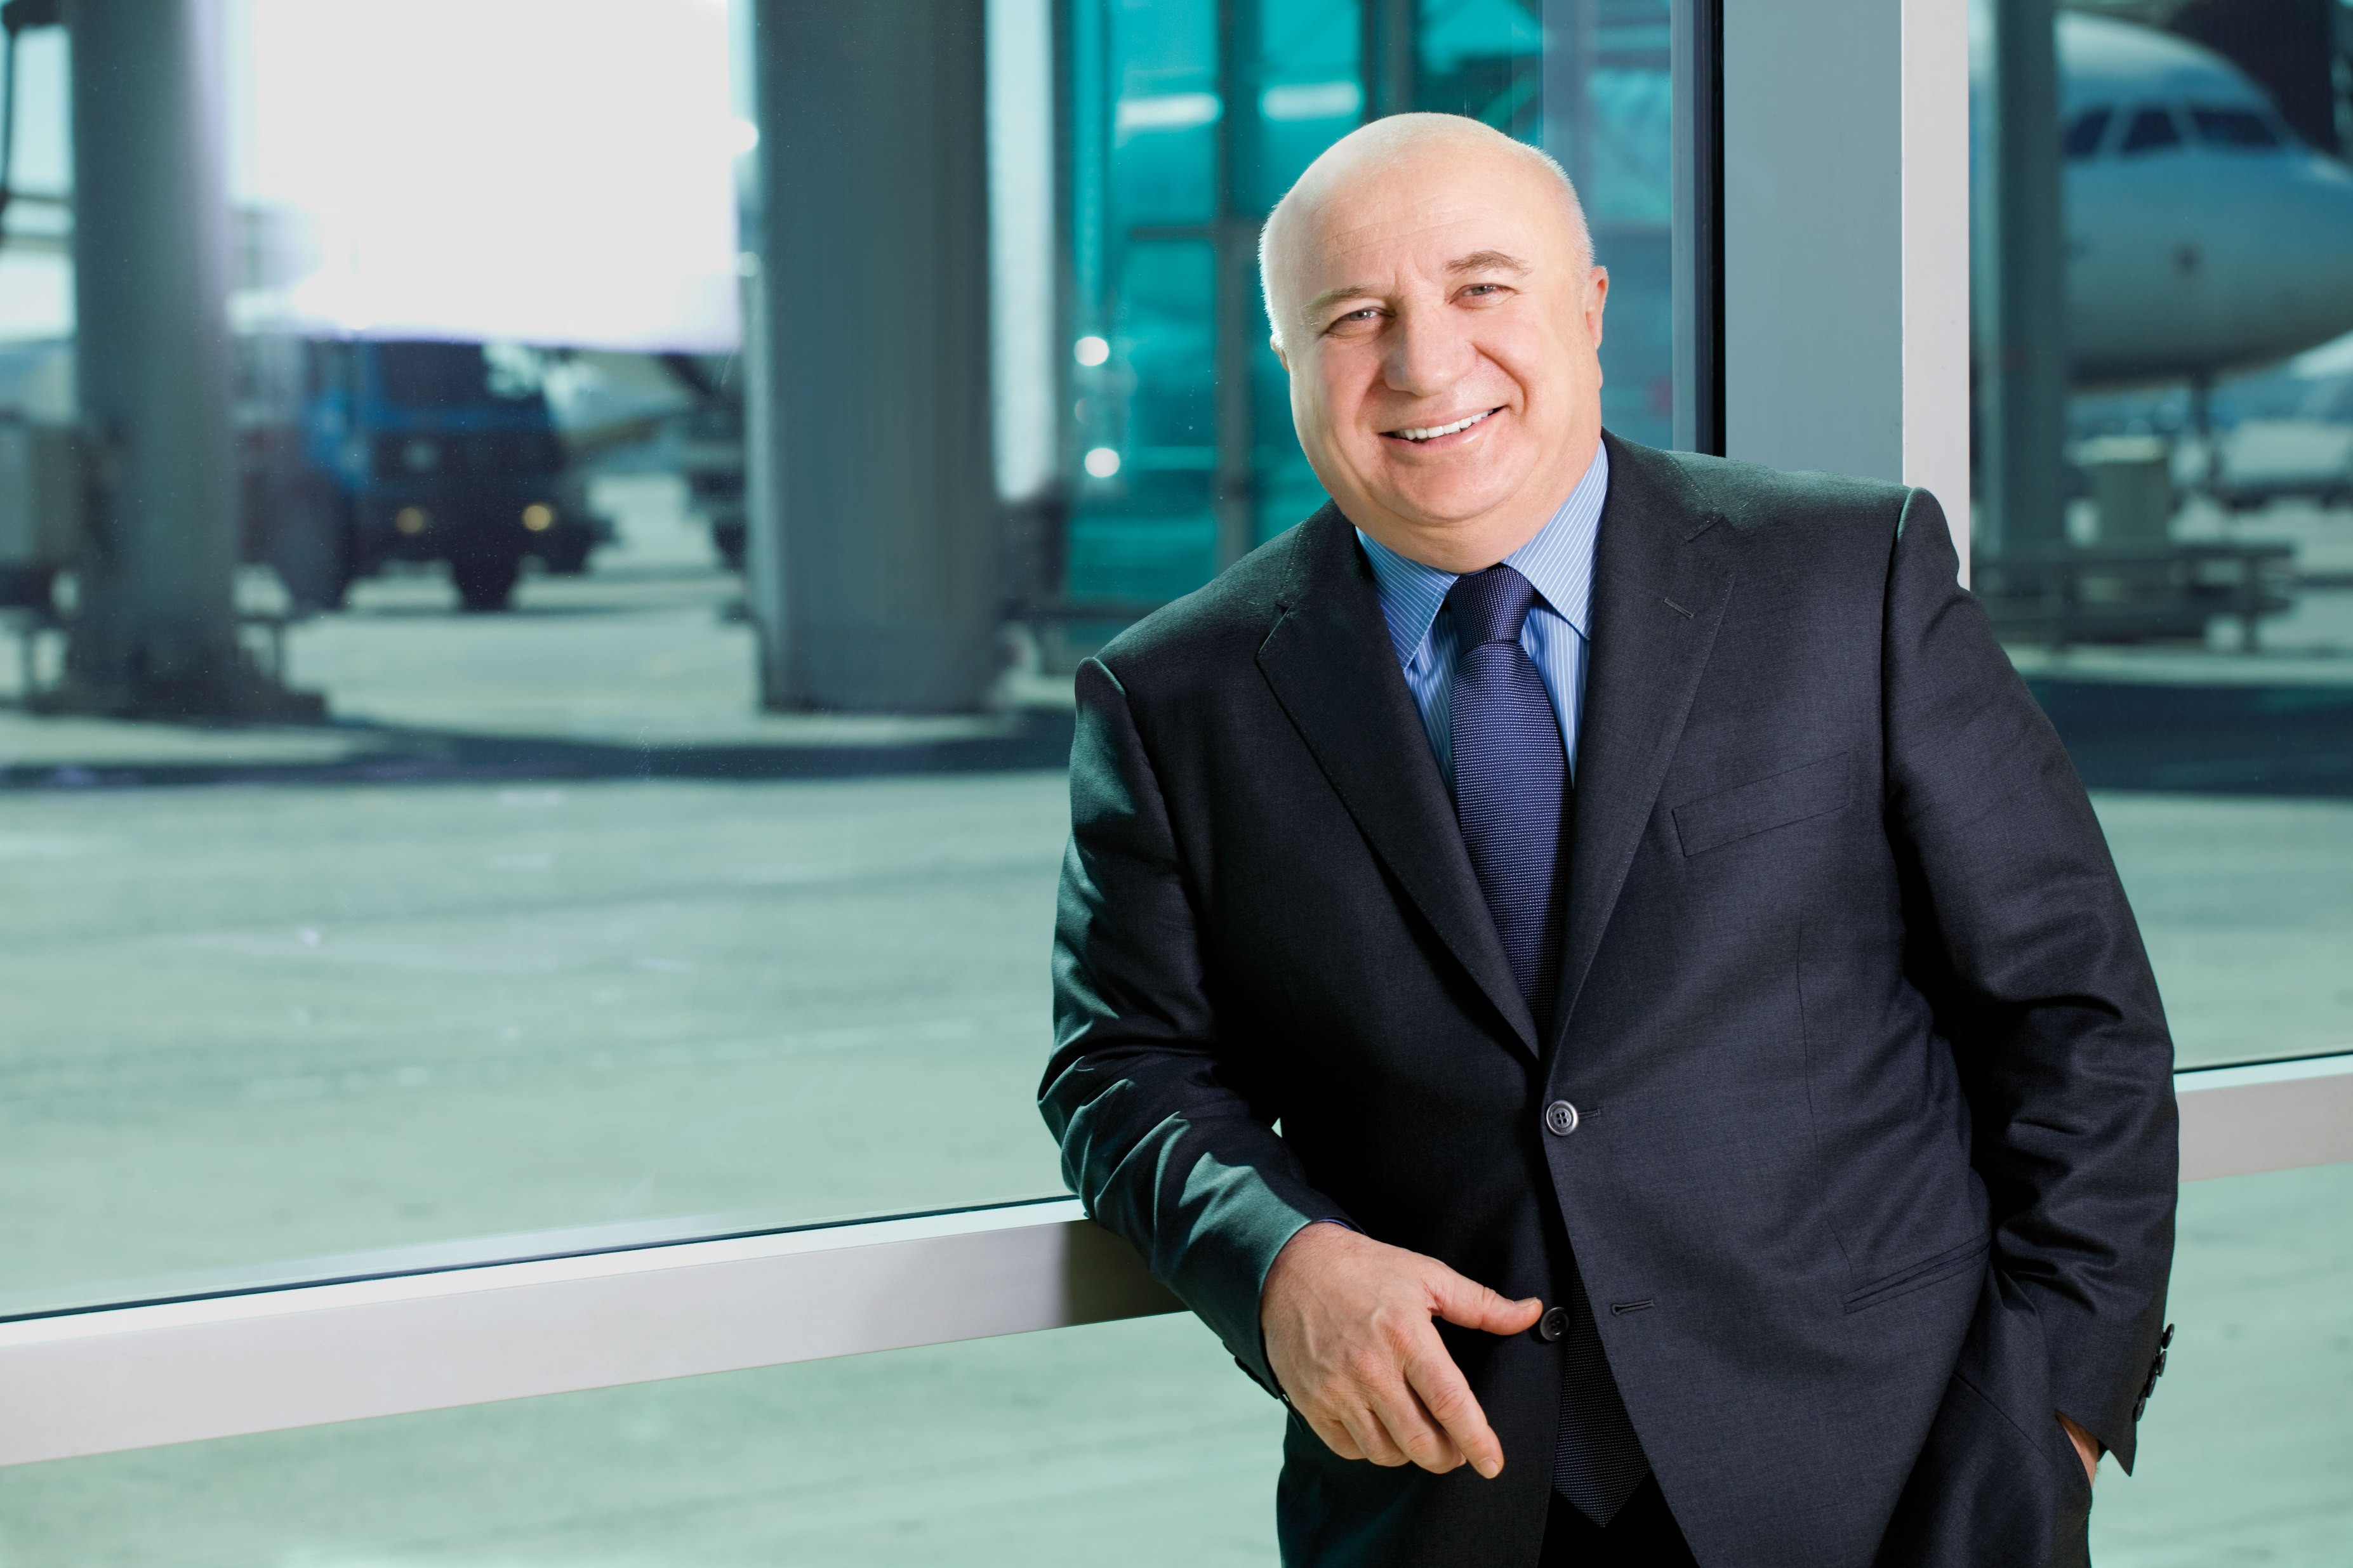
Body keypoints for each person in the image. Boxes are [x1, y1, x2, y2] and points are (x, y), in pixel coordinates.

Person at [1041, 112, 2175, 1568]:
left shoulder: (1852, 581)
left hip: (1900, 1487)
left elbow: (2076, 1020)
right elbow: (1122, 1066)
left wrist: (2052, 1423)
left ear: (1586, 309)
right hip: (1448, 1500)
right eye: (1355, 316)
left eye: (1481, 288)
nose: (1424, 362)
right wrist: (1280, 1262)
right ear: (1288, 360)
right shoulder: (1173, 697)